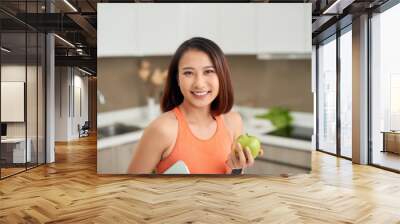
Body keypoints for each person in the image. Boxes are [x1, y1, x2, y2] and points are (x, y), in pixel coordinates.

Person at [127, 37, 263, 174]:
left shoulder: (233, 122)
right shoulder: (162, 129)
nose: (199, 83)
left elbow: (234, 185)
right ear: (177, 79)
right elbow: (130, 188)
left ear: (221, 76)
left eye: (209, 71)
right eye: (188, 73)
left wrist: (237, 168)